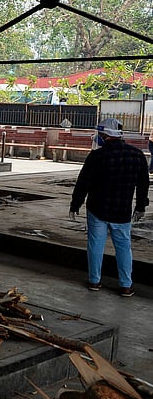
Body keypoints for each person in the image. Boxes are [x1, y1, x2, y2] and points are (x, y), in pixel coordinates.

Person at [69, 118, 148, 297]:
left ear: (105, 135)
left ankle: (94, 281)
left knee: (96, 245)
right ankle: (126, 285)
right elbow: (143, 184)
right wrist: (140, 205)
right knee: (123, 247)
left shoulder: (97, 156)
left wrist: (76, 204)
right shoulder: (137, 155)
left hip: (98, 209)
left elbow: (83, 183)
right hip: (122, 212)